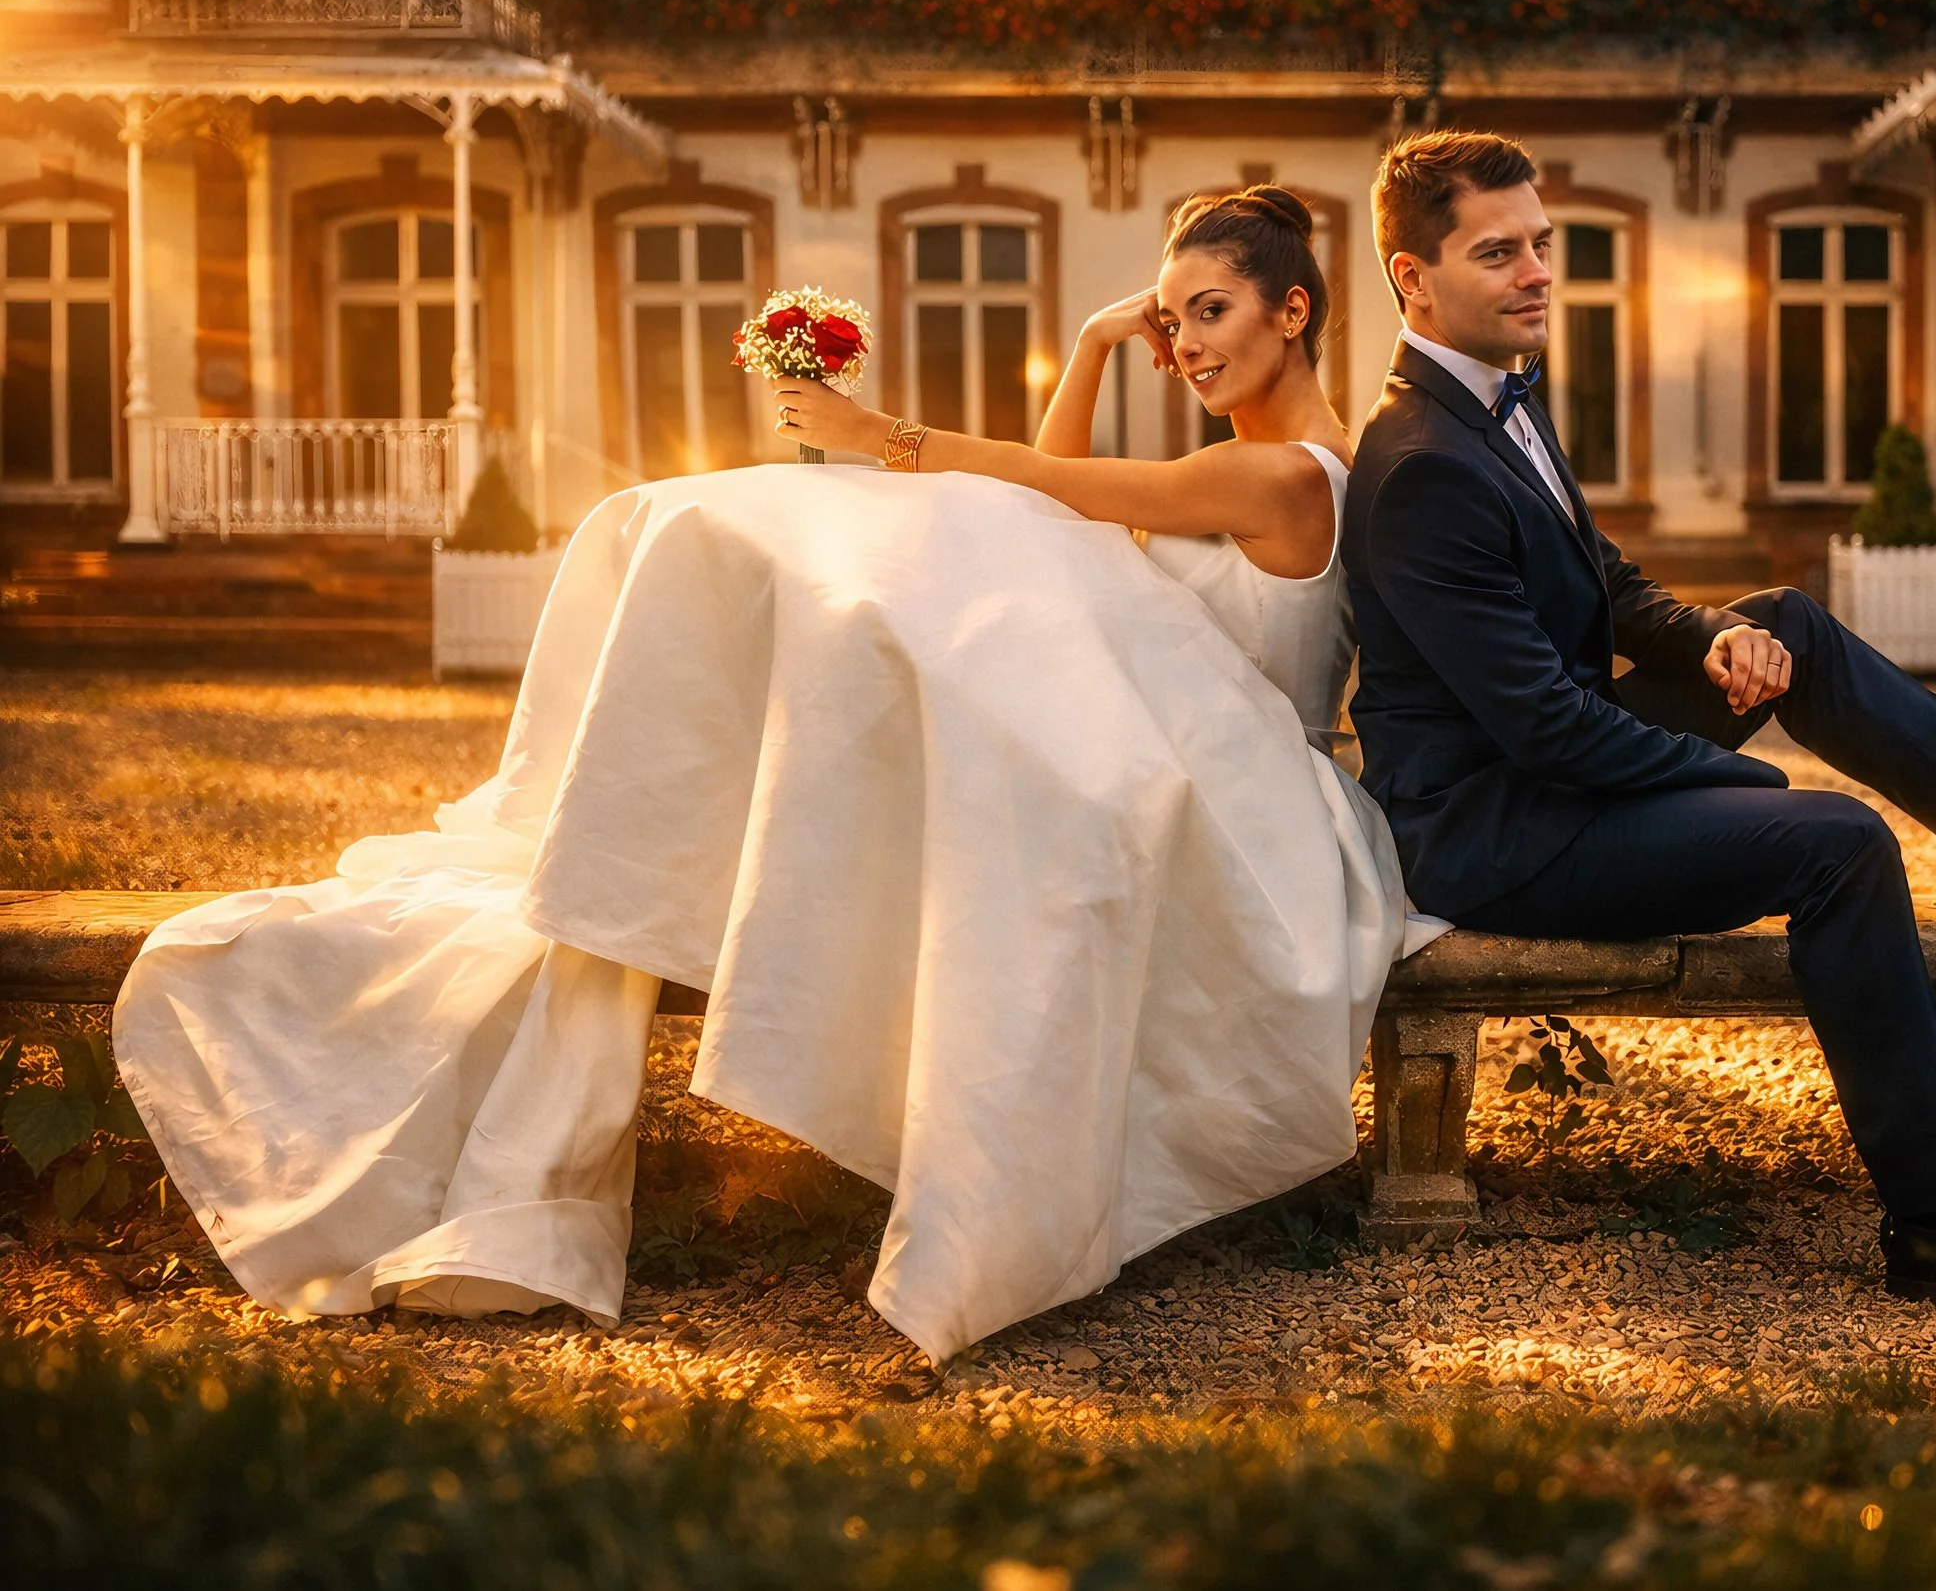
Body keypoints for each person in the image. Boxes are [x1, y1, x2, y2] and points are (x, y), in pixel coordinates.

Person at [114, 187, 1426, 1363]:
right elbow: (1053, 508)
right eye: (1172, 318)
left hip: (1255, 805)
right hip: (1191, 756)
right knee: (966, 657)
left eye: (1212, 312)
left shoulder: (1276, 473)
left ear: (1292, 311)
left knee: (993, 706)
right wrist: (1088, 346)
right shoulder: (1230, 466)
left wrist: (874, 434)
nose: (1185, 342)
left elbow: (1044, 480)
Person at [1343, 131, 1936, 1317]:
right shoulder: (1423, 461)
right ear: (1412, 276)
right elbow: (1547, 731)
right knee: (1836, 841)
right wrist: (1737, 785)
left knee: (1784, 622)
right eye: (1497, 253)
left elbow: (1607, 583)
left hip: (1544, 772)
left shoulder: (1496, 395)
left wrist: (1710, 637)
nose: (1536, 272)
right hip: (1491, 830)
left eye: (1541, 243)